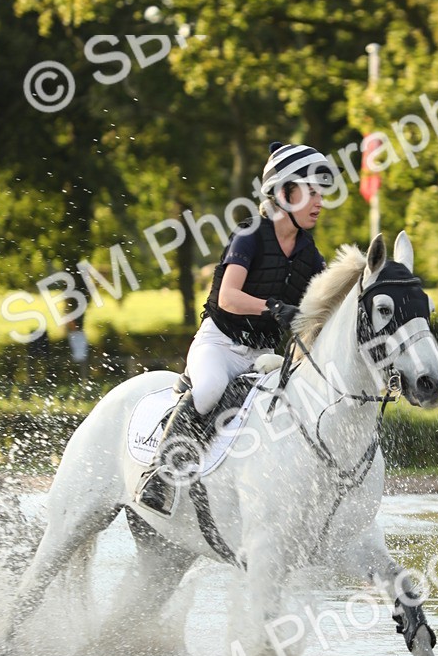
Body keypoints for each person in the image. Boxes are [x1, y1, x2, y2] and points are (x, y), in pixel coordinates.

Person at [135, 141, 335, 514]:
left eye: (320, 193)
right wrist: (274, 307)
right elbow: (228, 298)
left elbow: (325, 310)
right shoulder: (250, 235)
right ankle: (159, 475)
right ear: (283, 193)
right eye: (311, 192)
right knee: (210, 390)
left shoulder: (310, 254)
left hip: (263, 356)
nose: (319, 201)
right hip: (220, 346)